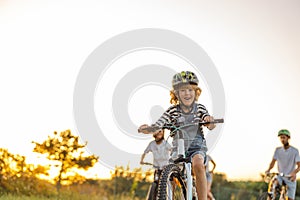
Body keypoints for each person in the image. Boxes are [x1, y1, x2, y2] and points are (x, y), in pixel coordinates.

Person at [138, 71, 217, 200]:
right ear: (176, 94)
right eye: (183, 90)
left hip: (196, 147)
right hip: (177, 149)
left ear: (196, 92)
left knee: (198, 164)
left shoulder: (200, 109)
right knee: (169, 175)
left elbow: (210, 124)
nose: (187, 93)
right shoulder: (171, 111)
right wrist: (147, 129)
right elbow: (158, 125)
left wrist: (210, 120)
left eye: (190, 90)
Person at [265, 129, 300, 200]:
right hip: (280, 176)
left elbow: (299, 166)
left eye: (284, 137)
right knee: (273, 182)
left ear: (288, 138)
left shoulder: (295, 151)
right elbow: (273, 162)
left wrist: (294, 173)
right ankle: (270, 198)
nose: (282, 139)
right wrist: (268, 170)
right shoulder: (278, 150)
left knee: (289, 198)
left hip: (290, 178)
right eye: (281, 138)